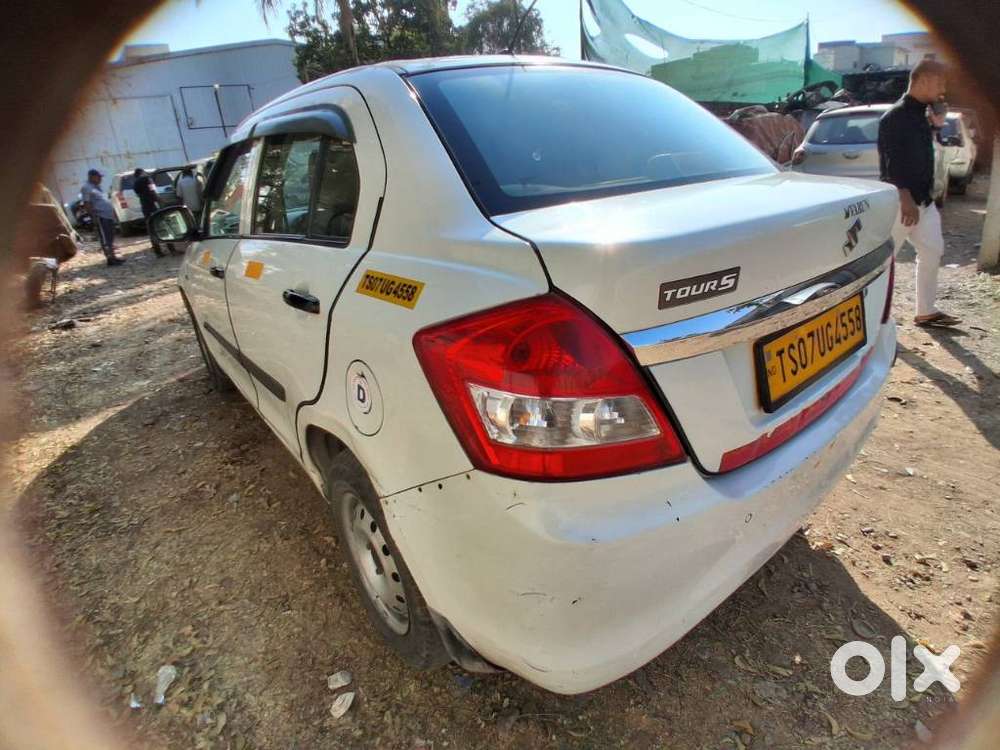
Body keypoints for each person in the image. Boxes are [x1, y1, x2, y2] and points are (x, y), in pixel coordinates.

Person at [877, 58, 960, 328]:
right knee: (884, 262)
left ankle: (925, 311)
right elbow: (889, 164)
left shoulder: (922, 114)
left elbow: (925, 155)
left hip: (924, 201)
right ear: (923, 80)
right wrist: (904, 197)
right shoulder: (895, 117)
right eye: (939, 83)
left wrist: (937, 124)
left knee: (933, 251)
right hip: (903, 203)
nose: (943, 90)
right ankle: (875, 318)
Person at [80, 169, 124, 266]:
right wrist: (93, 216)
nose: (100, 179)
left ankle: (114, 256)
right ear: (92, 177)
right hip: (101, 216)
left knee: (110, 237)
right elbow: (87, 203)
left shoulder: (97, 187)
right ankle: (110, 259)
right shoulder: (86, 187)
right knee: (105, 238)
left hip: (108, 216)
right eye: (98, 177)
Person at [131, 168, 164, 256]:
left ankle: (158, 251)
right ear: (142, 172)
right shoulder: (147, 179)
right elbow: (153, 191)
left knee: (151, 229)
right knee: (162, 226)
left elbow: (138, 194)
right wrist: (159, 200)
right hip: (153, 206)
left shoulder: (135, 183)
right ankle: (171, 249)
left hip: (145, 207)